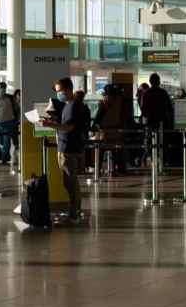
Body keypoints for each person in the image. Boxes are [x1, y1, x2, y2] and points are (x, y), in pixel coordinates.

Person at [42, 77, 90, 223]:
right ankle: (75, 211)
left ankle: (74, 214)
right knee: (70, 182)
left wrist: (49, 125)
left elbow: (68, 127)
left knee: (70, 182)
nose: (59, 94)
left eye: (60, 91)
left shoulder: (72, 106)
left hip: (68, 149)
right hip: (71, 147)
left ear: (68, 90)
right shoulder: (71, 105)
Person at [95, 84, 127, 175]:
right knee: (115, 150)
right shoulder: (120, 101)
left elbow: (99, 116)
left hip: (105, 130)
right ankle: (115, 170)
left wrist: (94, 125)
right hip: (116, 129)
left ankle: (98, 170)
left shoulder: (104, 101)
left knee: (100, 150)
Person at [0, 82, 19, 165]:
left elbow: (16, 108)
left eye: (4, 87)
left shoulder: (10, 98)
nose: (2, 89)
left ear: (6, 88)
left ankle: (4, 158)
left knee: (6, 141)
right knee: (1, 142)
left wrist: (17, 119)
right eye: (1, 87)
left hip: (9, 122)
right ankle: (5, 155)